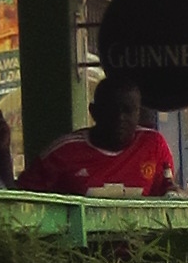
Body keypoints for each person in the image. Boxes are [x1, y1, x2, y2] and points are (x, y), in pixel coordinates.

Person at [20, 76, 176, 196]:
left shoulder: (153, 145)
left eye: (128, 110)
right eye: (112, 110)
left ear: (138, 115)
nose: (120, 118)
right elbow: (21, 196)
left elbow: (166, 195)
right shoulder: (62, 152)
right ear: (94, 111)